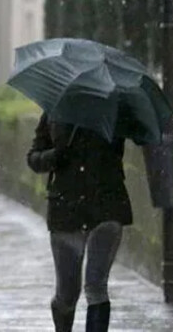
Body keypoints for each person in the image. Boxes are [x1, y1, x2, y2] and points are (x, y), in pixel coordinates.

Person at [27, 113, 132, 332]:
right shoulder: (55, 111)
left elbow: (136, 135)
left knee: (96, 286)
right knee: (67, 295)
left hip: (106, 207)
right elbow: (34, 158)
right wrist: (54, 156)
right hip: (66, 211)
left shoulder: (114, 110)